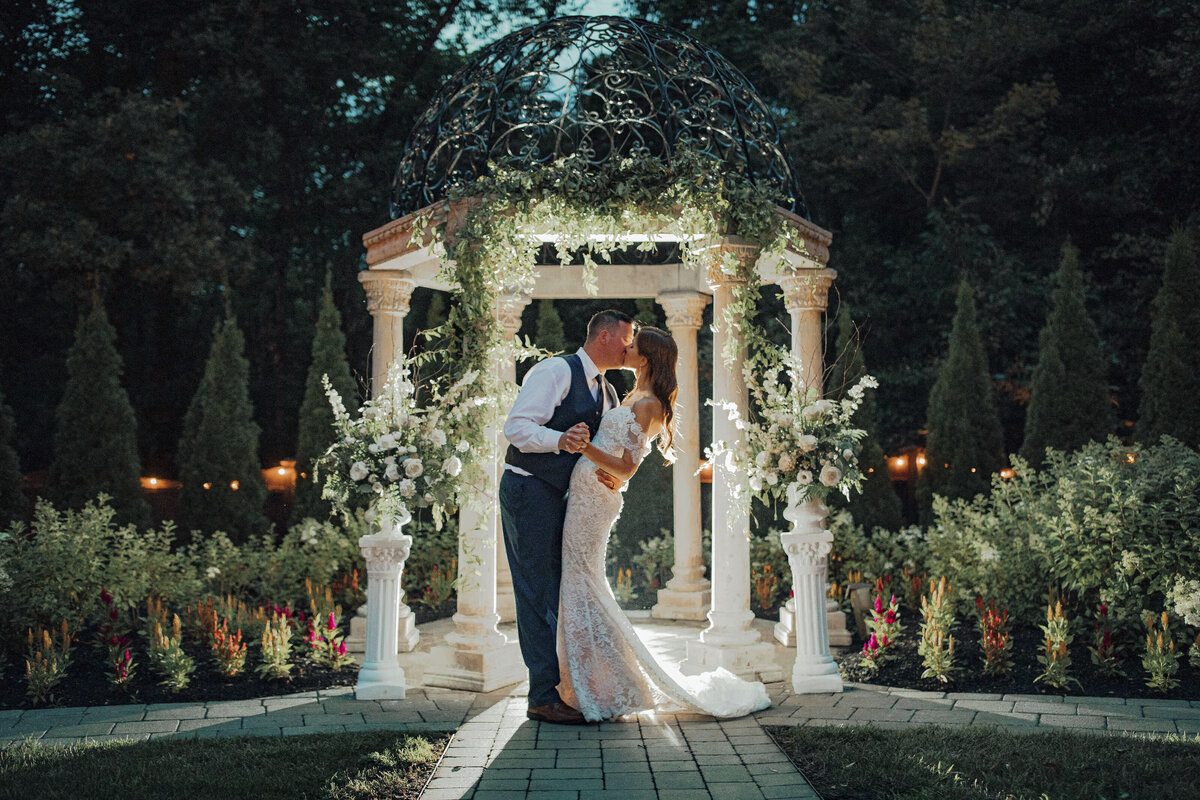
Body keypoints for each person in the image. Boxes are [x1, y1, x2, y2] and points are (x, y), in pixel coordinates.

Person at [556, 325, 771, 722]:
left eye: (633, 346)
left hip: (595, 503)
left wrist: (585, 449)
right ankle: (595, 681)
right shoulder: (631, 393)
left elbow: (628, 467)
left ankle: (599, 686)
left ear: (648, 357)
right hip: (588, 493)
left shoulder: (649, 403)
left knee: (582, 581)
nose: (626, 348)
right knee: (579, 582)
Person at [499, 309, 634, 725]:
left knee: (562, 592)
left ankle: (566, 686)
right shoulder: (556, 370)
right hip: (529, 489)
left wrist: (612, 481)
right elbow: (516, 427)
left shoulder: (609, 394)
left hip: (566, 500)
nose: (631, 348)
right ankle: (541, 697)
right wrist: (560, 439)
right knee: (537, 592)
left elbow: (602, 455)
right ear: (606, 336)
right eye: (627, 339)